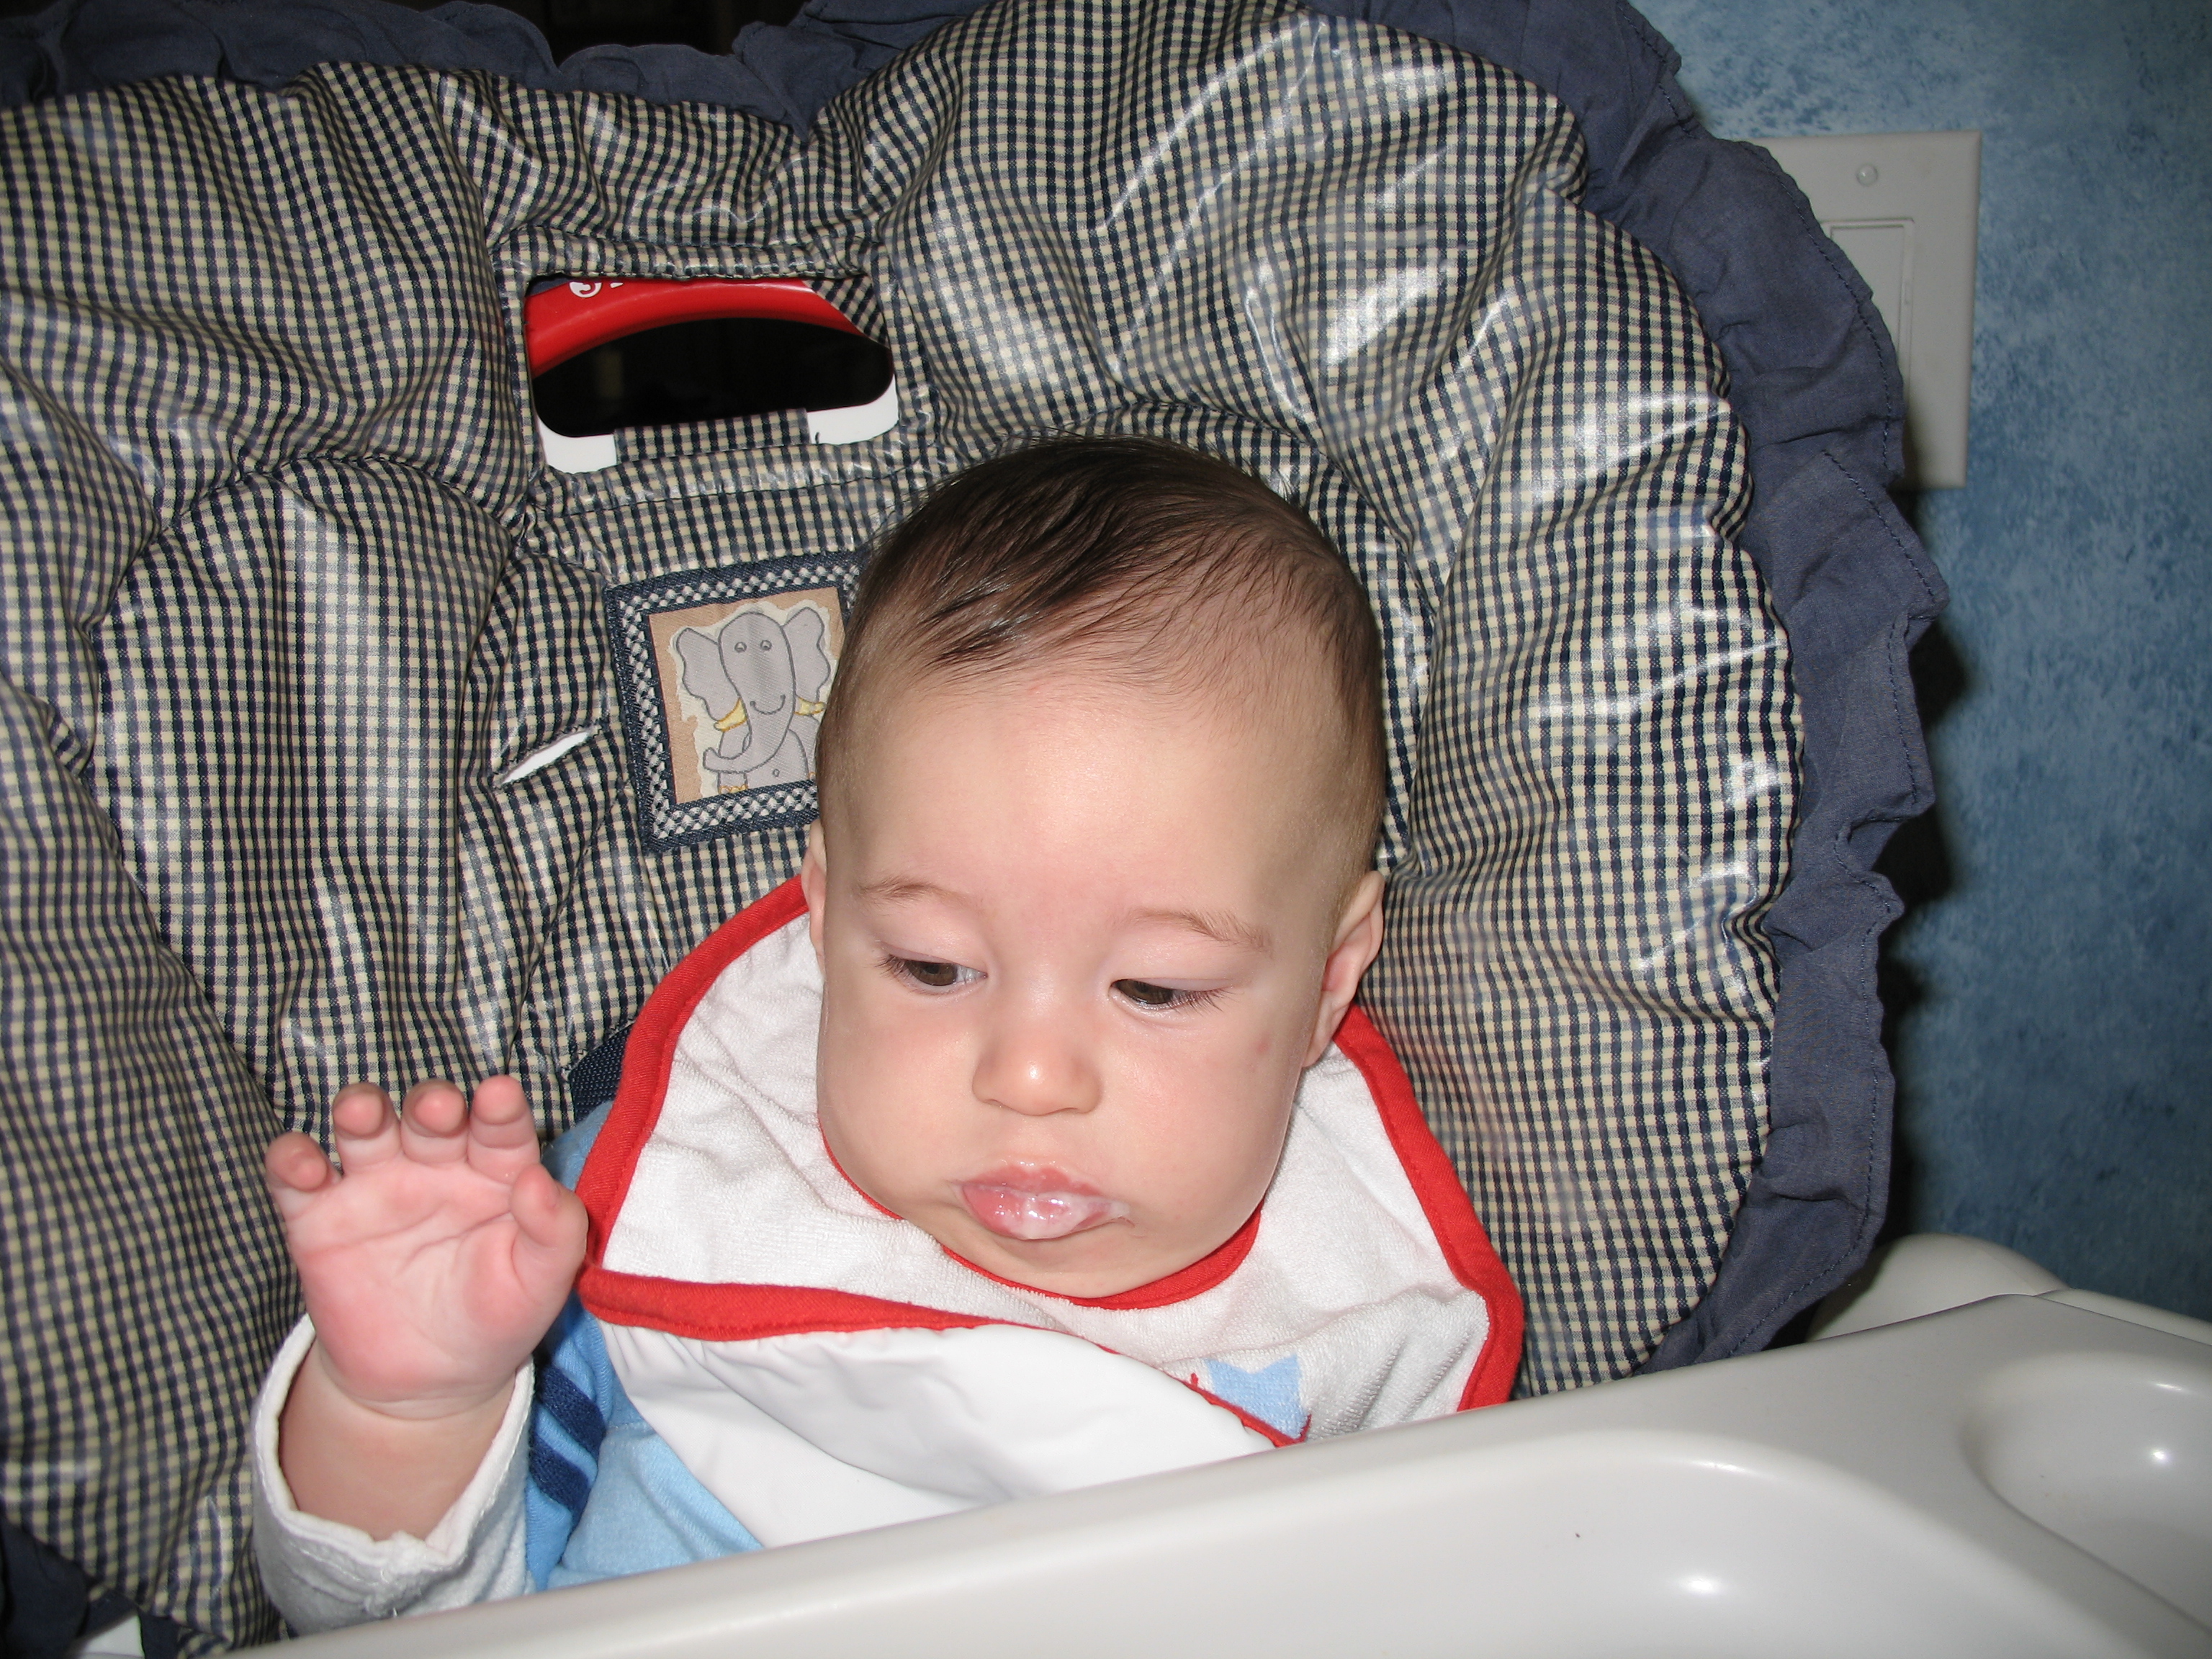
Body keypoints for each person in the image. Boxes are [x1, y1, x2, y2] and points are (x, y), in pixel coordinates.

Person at [251, 435, 1520, 1627]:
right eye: (932, 966)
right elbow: (399, 1629)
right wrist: (407, 1410)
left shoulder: (1358, 1317)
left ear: (1329, 980)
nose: (1029, 1076)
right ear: (821, 914)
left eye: (1156, 990)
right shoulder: (663, 1192)